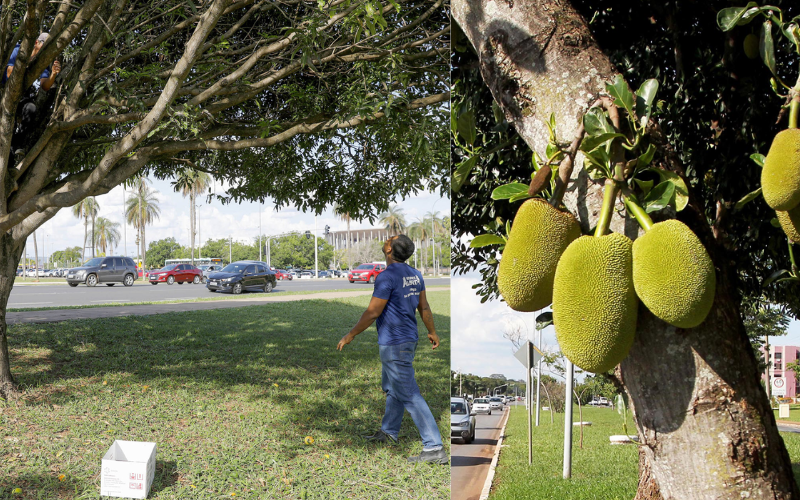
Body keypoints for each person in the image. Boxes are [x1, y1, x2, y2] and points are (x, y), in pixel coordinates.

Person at [337, 234, 446, 464]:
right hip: (408, 340)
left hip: (394, 343)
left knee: (409, 393)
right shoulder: (415, 275)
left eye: (389, 239)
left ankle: (434, 447)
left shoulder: (386, 277)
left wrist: (350, 334)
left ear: (389, 250)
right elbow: (423, 306)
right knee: (394, 388)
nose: (386, 239)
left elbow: (372, 312)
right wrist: (432, 331)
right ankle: (389, 431)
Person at [4, 33, 61, 157]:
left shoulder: (42, 61)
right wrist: (29, 61)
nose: (46, 51)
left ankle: (16, 146)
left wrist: (53, 74)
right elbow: (9, 74)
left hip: (21, 96)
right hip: (4, 93)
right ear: (36, 43)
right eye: (44, 47)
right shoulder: (19, 50)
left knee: (31, 108)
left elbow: (45, 86)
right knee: (8, 126)